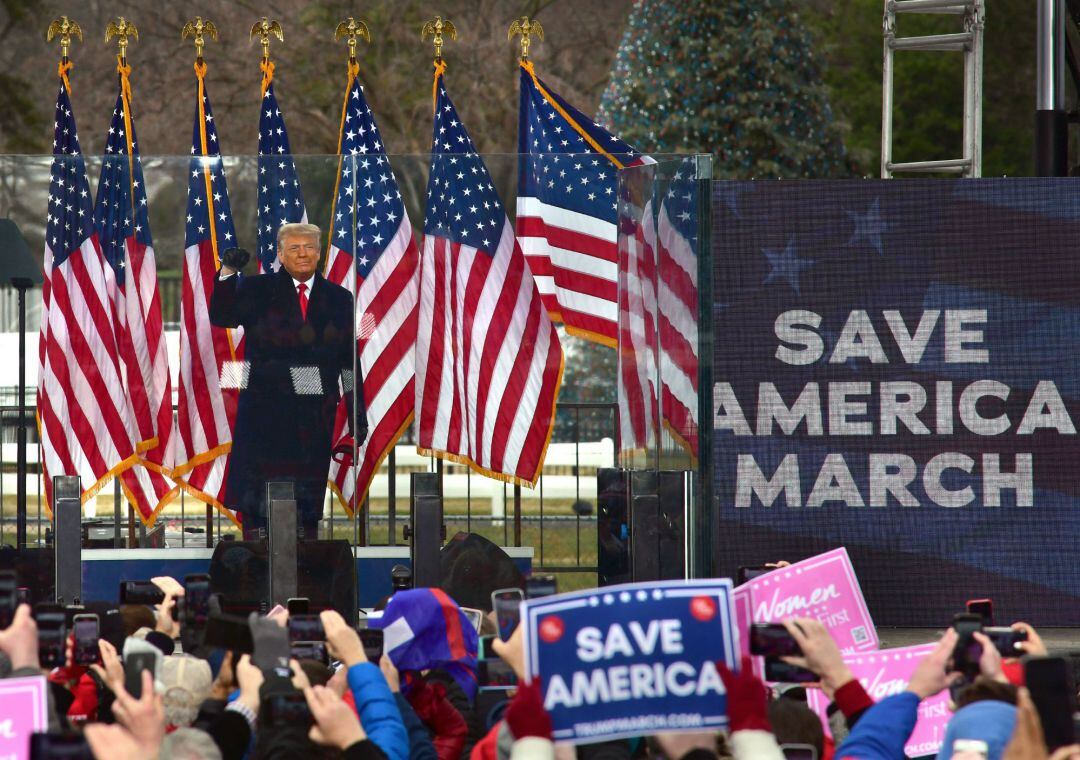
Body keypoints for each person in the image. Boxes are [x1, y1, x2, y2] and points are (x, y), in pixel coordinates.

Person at [210, 223, 366, 540]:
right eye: (293, 248)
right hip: (265, 411)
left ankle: (306, 566)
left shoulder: (339, 298)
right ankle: (255, 562)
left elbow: (348, 362)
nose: (302, 253)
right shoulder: (257, 289)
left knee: (304, 512)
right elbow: (222, 315)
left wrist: (355, 415)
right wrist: (227, 273)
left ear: (320, 253)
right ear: (280, 254)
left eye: (309, 246)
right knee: (258, 508)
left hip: (313, 414)